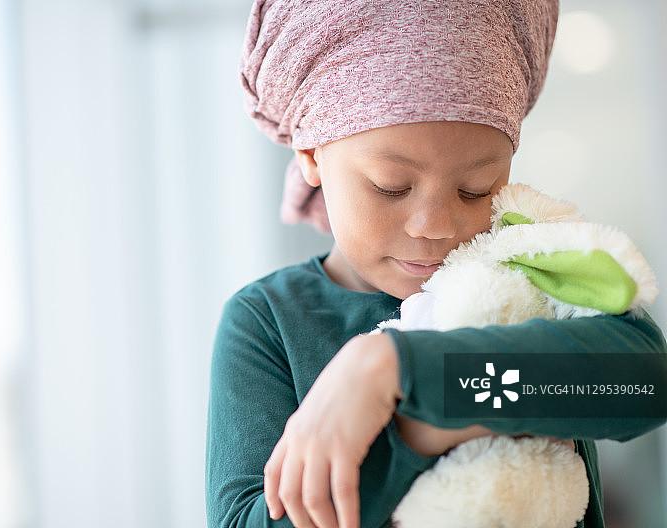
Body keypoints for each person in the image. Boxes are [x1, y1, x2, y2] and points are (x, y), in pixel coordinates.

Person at [205, 1, 667, 527]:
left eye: (476, 190)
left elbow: (641, 382)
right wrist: (422, 429)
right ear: (311, 154)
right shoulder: (268, 321)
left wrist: (393, 367)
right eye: (390, 186)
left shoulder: (524, 269)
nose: (435, 225)